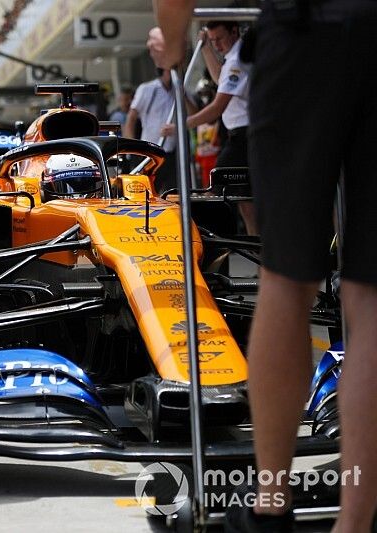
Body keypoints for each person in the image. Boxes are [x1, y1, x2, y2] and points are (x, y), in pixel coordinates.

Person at [150, 2, 377, 532]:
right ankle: (356, 520)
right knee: (369, 297)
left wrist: (175, 40)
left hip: (305, 32)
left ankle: (271, 504)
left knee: (286, 278)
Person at [160, 21, 256, 235]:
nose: (217, 45)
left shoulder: (238, 60)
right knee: (246, 204)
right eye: (213, 40)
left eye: (219, 39)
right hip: (238, 136)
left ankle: (218, 246)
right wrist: (205, 48)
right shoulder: (232, 58)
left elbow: (218, 107)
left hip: (245, 136)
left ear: (234, 31)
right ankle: (258, 256)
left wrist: (181, 126)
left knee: (216, 192)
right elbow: (219, 78)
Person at [123, 66, 177, 194]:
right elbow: (131, 118)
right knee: (148, 193)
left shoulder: (179, 90)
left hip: (172, 153)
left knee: (173, 194)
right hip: (150, 153)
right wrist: (131, 149)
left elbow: (193, 112)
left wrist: (181, 92)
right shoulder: (147, 89)